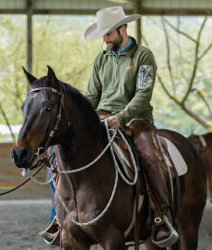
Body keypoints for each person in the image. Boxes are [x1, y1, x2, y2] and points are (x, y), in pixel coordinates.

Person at [39, 6, 178, 248]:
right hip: (101, 119)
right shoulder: (101, 58)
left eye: (108, 33)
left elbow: (143, 95)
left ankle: (160, 217)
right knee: (59, 157)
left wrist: (121, 118)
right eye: (102, 34)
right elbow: (91, 96)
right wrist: (87, 119)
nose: (104, 39)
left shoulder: (143, 56)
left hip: (136, 121)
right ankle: (60, 220)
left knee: (151, 157)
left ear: (122, 28)